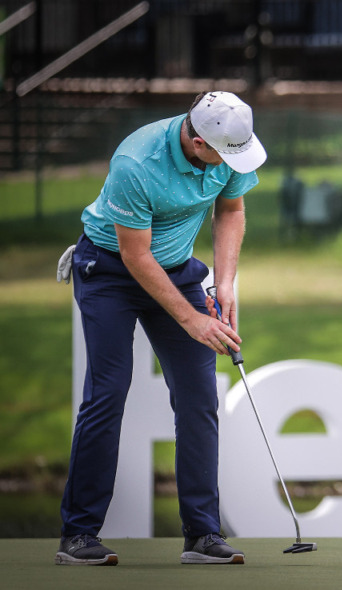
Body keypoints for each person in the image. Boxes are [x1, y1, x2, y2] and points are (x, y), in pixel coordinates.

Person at [54, 91, 267, 566]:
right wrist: (191, 318)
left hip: (176, 269)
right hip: (109, 272)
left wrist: (225, 283)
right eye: (223, 155)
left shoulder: (229, 144)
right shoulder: (137, 161)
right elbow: (135, 256)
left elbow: (231, 210)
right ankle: (78, 534)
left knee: (198, 396)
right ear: (196, 140)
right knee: (108, 392)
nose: (232, 162)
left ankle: (202, 534)